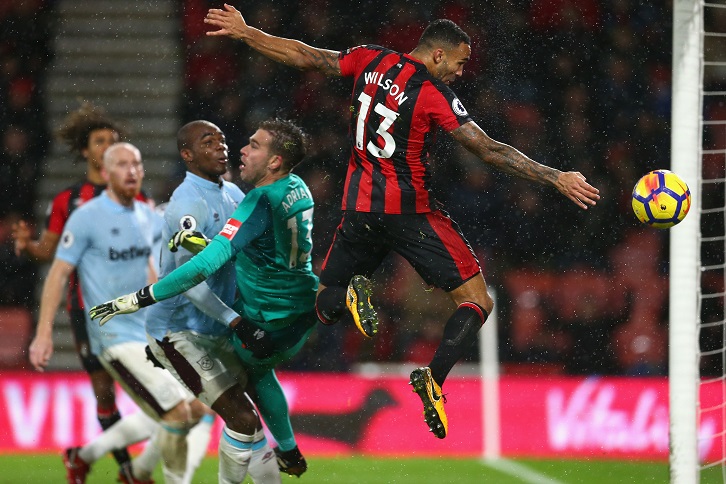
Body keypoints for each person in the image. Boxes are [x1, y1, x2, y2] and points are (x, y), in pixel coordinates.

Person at [203, 7, 601, 439]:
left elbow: (304, 55)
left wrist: (246, 33)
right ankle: (433, 377)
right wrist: (555, 176)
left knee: (324, 302)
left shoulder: (368, 58)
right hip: (411, 212)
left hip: (358, 209)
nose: (462, 73)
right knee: (477, 301)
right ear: (437, 55)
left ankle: (353, 293)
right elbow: (489, 150)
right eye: (460, 63)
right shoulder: (432, 92)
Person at [90, 119, 317, 482]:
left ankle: (139, 471)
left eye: (223, 139)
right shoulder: (187, 203)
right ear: (187, 155)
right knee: (242, 420)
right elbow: (191, 282)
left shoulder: (235, 194)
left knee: (251, 411)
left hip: (218, 328)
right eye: (208, 141)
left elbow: (229, 250)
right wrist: (236, 321)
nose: (224, 147)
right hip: (180, 331)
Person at [29, 142, 207, 484]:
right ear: (107, 173)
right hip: (114, 337)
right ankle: (146, 477)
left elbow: (156, 275)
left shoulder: (147, 216)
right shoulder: (86, 218)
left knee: (195, 408)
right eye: (122, 164)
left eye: (136, 164)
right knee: (176, 411)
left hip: (150, 333)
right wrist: (43, 333)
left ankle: (90, 458)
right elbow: (58, 274)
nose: (131, 171)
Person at [14, 102, 140, 478]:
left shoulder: (135, 195)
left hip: (132, 309)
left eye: (113, 141)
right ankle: (128, 468)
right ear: (85, 151)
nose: (107, 147)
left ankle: (88, 454)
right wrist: (28, 245)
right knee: (105, 394)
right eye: (100, 141)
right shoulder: (68, 200)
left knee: (151, 391)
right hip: (87, 309)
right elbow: (49, 254)